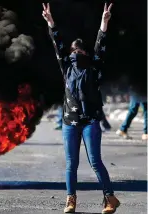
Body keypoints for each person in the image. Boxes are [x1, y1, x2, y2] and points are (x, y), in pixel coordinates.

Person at [42, 3, 120, 213]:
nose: (76, 54)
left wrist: (104, 23)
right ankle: (70, 200)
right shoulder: (66, 66)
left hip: (90, 121)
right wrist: (51, 23)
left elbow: (101, 44)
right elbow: (57, 44)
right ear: (70, 52)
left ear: (85, 51)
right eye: (73, 50)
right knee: (71, 164)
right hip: (69, 122)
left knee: (95, 162)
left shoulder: (94, 65)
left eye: (80, 50)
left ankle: (110, 198)